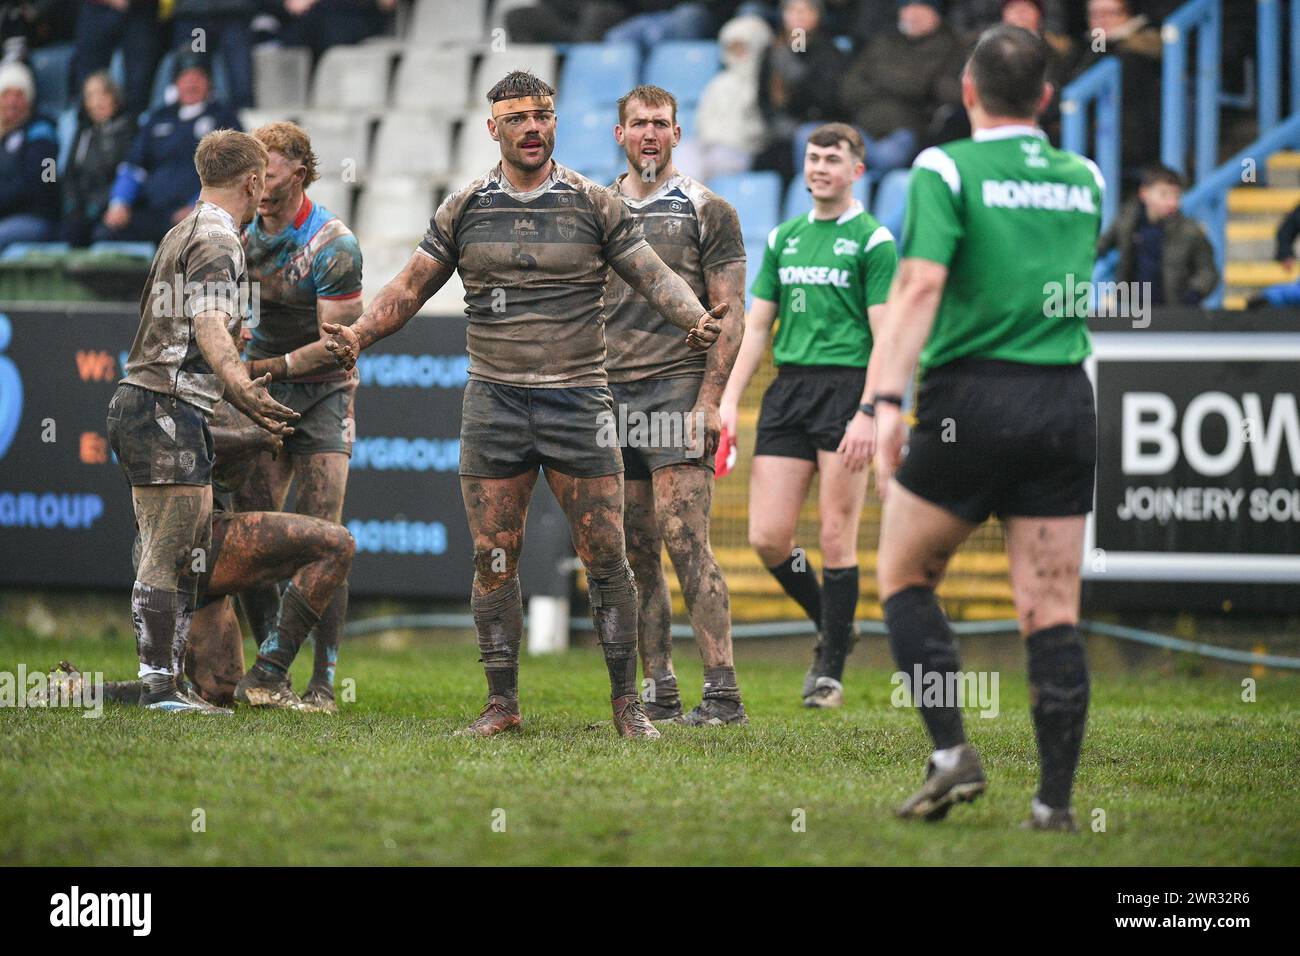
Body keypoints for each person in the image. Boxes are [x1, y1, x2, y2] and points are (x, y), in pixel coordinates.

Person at [319, 71, 726, 739]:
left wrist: (696, 317)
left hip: (578, 400)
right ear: (494, 130)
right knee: (494, 557)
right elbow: (410, 287)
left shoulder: (595, 203)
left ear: (555, 122)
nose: (532, 127)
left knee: (606, 553)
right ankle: (501, 704)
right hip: (495, 403)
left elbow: (654, 273)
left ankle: (629, 707)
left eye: (542, 115)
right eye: (518, 118)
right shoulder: (466, 206)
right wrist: (359, 335)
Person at [866, 25, 1103, 830]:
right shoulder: (1088, 178)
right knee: (1051, 608)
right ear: (1046, 98)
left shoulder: (944, 167)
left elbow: (923, 284)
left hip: (974, 398)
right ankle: (1055, 806)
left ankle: (951, 753)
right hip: (1066, 404)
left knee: (903, 575)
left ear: (967, 91)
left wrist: (886, 401)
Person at [105, 128, 299, 713]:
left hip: (156, 403)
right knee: (169, 549)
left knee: (182, 546)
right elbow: (213, 325)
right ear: (254, 181)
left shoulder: (182, 229)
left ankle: (166, 681)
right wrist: (239, 385)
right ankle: (158, 686)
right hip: (163, 404)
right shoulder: (220, 239)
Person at [720, 122, 898, 708]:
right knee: (769, 538)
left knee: (835, 534)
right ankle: (835, 625)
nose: (819, 167)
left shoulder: (873, 241)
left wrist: (870, 411)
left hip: (848, 390)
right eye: (813, 157)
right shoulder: (784, 238)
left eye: (832, 159)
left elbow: (886, 339)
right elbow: (756, 328)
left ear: (857, 171)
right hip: (789, 391)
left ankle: (829, 669)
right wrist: (727, 399)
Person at [606, 84, 748, 725]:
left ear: (677, 134)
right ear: (620, 135)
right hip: (612, 394)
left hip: (676, 389)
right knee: (634, 550)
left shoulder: (707, 208)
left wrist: (710, 400)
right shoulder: (597, 207)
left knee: (685, 540)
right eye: (638, 125)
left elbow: (731, 313)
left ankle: (722, 694)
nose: (649, 135)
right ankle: (660, 689)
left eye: (661, 124)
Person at [97, 400, 355, 709]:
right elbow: (190, 438)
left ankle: (88, 691)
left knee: (218, 690)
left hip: (171, 551)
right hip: (196, 541)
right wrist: (254, 436)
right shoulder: (179, 383)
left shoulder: (166, 385)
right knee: (337, 544)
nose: (238, 349)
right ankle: (269, 673)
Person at [233, 120, 364, 714]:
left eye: (273, 166)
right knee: (254, 534)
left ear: (300, 173)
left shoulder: (332, 243)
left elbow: (339, 344)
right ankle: (271, 670)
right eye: (254, 167)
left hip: (321, 392)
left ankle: (324, 682)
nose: (260, 178)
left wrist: (267, 367)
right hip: (257, 389)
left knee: (323, 534)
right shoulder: (232, 231)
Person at [100, 49, 241, 245]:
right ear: (175, 83)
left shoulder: (224, 118)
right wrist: (119, 203)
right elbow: (133, 166)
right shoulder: (158, 117)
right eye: (185, 77)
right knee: (106, 231)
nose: (191, 83)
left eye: (198, 77)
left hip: (197, 215)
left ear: (209, 82)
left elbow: (231, 174)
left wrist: (198, 207)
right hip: (153, 212)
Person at [839, 0, 965, 177]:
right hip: (864, 126)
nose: (913, 14)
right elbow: (849, 88)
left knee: (885, 158)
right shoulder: (883, 41)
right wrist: (897, 83)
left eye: (921, 8)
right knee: (830, 152)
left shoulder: (949, 45)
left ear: (935, 14)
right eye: (907, 7)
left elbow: (918, 86)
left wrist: (877, 77)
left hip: (908, 130)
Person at [753, 0, 848, 187]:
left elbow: (830, 99)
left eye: (806, 10)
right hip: (780, 131)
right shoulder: (773, 50)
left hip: (816, 124)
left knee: (796, 145)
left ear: (817, 16)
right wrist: (776, 122)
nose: (799, 15)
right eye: (792, 10)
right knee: (766, 158)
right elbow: (763, 98)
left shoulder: (829, 52)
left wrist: (796, 75)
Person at [1097, 164, 1219, 307]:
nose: (1172, 202)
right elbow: (1099, 247)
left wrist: (1193, 295)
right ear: (1144, 193)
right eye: (1164, 194)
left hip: (1173, 314)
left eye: (1176, 196)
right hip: (1131, 310)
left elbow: (1208, 272)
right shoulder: (1126, 221)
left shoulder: (1191, 230)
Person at [1068, 0, 1161, 177]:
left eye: (1110, 13)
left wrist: (1099, 43)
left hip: (1132, 136)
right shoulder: (1095, 45)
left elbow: (1097, 90)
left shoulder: (1139, 51)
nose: (1101, 21)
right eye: (1095, 14)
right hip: (1097, 130)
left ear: (1128, 14)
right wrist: (1098, 41)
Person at [689, 13, 772, 180]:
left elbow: (762, 129)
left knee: (715, 160)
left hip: (740, 150)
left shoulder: (762, 84)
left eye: (742, 48)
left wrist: (732, 140)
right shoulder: (718, 82)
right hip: (708, 145)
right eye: (733, 48)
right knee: (680, 154)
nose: (737, 54)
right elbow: (703, 118)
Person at [61, 71, 135, 247]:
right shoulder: (83, 132)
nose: (97, 102)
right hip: (82, 208)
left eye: (104, 94)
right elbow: (70, 174)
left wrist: (99, 206)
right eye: (91, 96)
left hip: (111, 209)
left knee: (102, 234)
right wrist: (72, 206)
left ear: (115, 97)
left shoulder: (130, 130)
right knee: (70, 231)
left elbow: (128, 173)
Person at [0, 59, 59, 251]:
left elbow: (43, 181)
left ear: (29, 100)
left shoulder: (42, 133)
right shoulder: (4, 136)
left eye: (19, 95)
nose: (12, 102)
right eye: (6, 94)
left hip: (35, 217)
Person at [72, 0, 163, 118]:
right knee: (89, 83)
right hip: (96, 7)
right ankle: (88, 131)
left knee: (139, 87)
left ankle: (132, 129)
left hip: (141, 9)